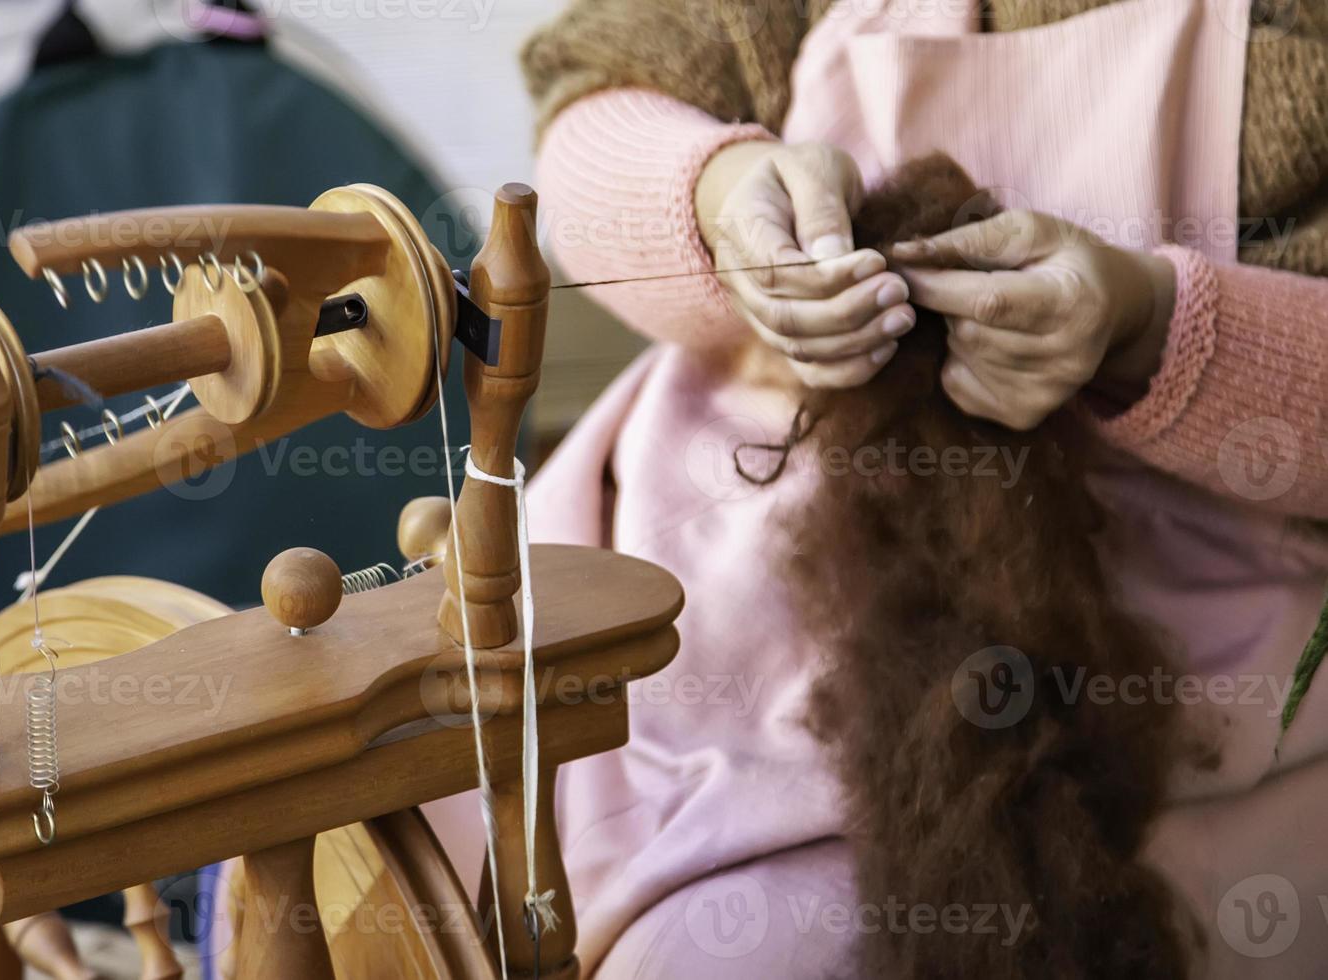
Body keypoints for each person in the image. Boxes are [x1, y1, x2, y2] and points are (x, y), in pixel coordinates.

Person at [425, 1, 1328, 976]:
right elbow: (594, 111)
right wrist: (719, 200)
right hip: (726, 570)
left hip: (1176, 672)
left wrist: (1152, 326)